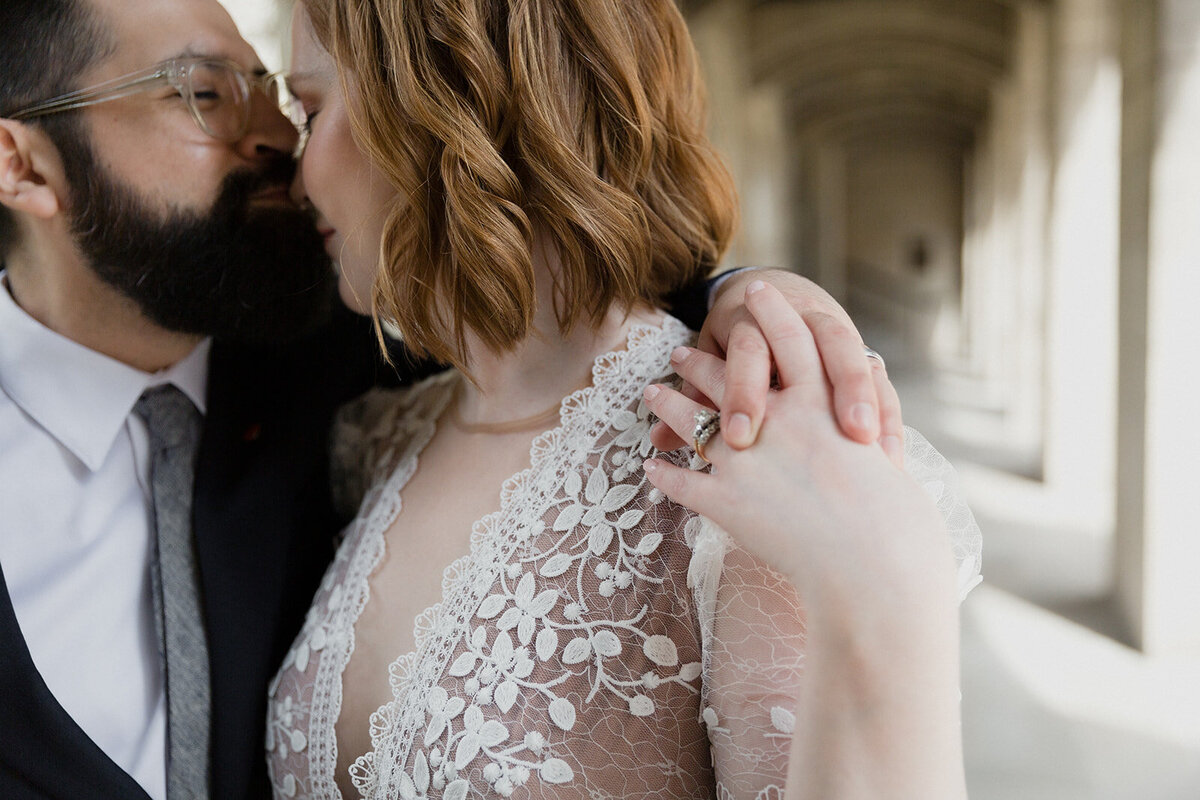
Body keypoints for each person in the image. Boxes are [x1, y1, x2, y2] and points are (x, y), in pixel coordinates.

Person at [0, 1, 897, 798]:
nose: (280, 137)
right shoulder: (374, 421)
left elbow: (563, 304)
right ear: (21, 164)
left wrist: (755, 308)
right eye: (199, 92)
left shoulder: (316, 352)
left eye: (286, 96)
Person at [265, 1, 981, 798]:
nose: (293, 177)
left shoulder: (741, 467)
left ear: (441, 110)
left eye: (312, 108)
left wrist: (886, 579)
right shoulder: (376, 439)